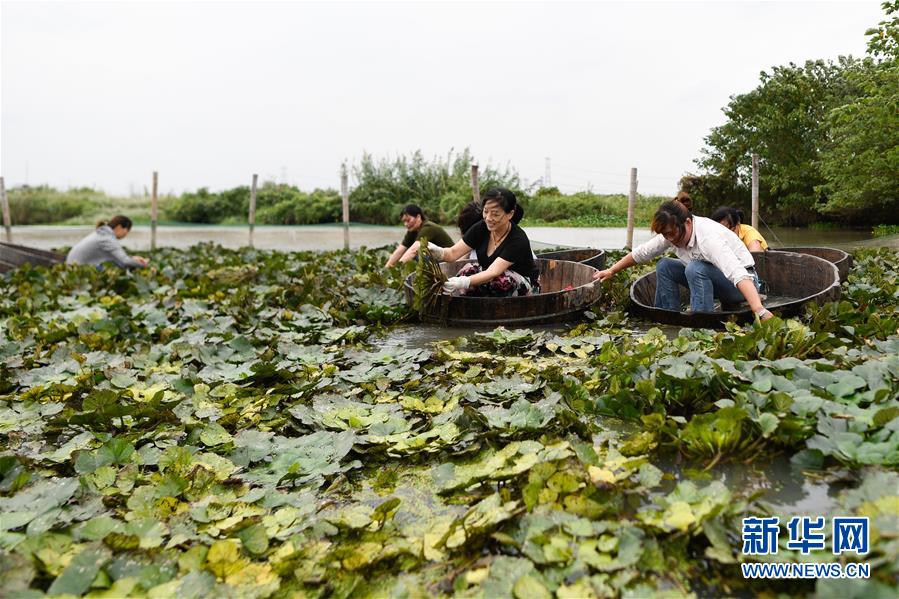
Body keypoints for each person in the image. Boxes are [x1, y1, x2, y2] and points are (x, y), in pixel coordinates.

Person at [593, 201, 773, 320]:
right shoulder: (670, 234)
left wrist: (760, 310)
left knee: (695, 268)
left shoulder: (708, 238)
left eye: (672, 233)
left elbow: (739, 274)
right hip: (712, 280)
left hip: (743, 287)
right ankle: (669, 318)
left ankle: (701, 322)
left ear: (687, 223)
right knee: (664, 265)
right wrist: (611, 270)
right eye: (665, 235)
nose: (670, 239)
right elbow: (641, 253)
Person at [427, 188, 540, 297]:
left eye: (495, 214)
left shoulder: (518, 239)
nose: (488, 218)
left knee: (500, 282)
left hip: (524, 284)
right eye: (486, 212)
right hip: (492, 275)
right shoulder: (481, 227)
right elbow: (452, 253)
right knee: (466, 272)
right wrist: (439, 252)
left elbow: (493, 272)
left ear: (510, 214)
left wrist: (463, 282)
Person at [66, 215, 149, 269]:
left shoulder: (101, 233)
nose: (126, 235)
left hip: (72, 267)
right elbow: (125, 261)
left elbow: (116, 258)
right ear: (119, 227)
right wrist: (144, 265)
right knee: (118, 269)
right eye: (127, 231)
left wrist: (132, 259)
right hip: (79, 271)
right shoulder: (107, 239)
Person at [385, 204, 454, 267]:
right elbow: (400, 251)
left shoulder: (428, 227)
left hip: (452, 261)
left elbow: (413, 250)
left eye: (408, 220)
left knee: (418, 254)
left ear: (418, 217)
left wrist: (397, 269)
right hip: (438, 261)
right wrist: (386, 268)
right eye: (404, 221)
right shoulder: (412, 231)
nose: (406, 224)